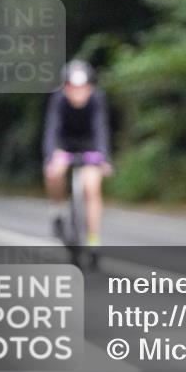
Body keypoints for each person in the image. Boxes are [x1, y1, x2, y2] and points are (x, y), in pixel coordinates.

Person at [42, 59, 113, 246]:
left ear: (90, 87)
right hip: (64, 145)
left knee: (92, 187)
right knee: (54, 173)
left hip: (89, 146)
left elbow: (101, 129)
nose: (78, 93)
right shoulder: (58, 100)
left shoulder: (97, 99)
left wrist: (103, 157)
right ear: (66, 87)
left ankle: (93, 239)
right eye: (73, 87)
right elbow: (52, 130)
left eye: (82, 88)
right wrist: (52, 157)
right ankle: (57, 211)